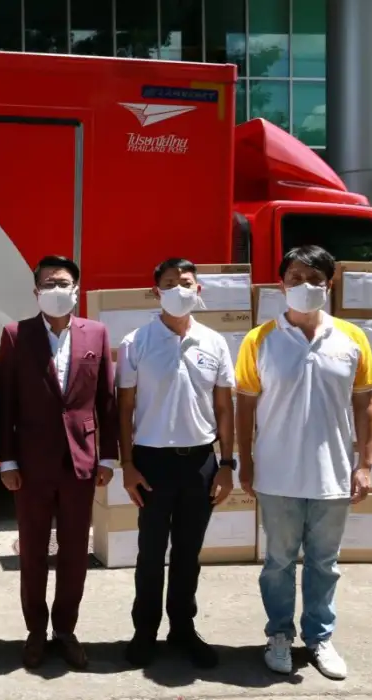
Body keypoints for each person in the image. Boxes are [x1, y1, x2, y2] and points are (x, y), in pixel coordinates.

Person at [235, 245, 372, 681]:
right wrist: (245, 461)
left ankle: (319, 637)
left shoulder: (352, 338)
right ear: (281, 285)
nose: (305, 286)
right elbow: (245, 405)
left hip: (332, 475)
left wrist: (365, 464)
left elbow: (365, 403)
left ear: (329, 284)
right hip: (277, 476)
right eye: (295, 278)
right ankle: (279, 635)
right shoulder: (259, 339)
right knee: (278, 563)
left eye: (315, 278)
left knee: (324, 564)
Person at [0, 255, 118, 670]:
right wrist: (7, 461)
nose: (56, 289)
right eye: (48, 283)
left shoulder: (96, 333)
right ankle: (35, 631)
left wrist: (108, 456)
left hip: (80, 461)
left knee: (74, 552)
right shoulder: (16, 335)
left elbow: (106, 400)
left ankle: (65, 630)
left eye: (63, 282)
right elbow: (5, 401)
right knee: (32, 552)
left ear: (76, 289)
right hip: (31, 463)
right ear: (36, 292)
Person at [116, 258, 236, 669]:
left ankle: (182, 629)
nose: (178, 290)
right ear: (156, 292)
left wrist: (227, 463)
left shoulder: (214, 342)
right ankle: (144, 631)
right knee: (150, 553)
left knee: (188, 553)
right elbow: (124, 407)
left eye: (186, 283)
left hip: (200, 462)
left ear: (198, 289)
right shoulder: (136, 341)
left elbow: (224, 406)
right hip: (151, 462)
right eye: (169, 283)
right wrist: (127, 464)